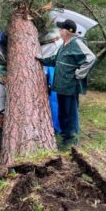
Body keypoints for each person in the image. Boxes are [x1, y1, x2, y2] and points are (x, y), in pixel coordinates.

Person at [37, 19, 96, 149]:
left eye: (61, 28)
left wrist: (79, 74)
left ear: (67, 31)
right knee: (63, 113)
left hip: (70, 86)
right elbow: (54, 60)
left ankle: (72, 141)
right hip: (61, 86)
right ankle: (65, 137)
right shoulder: (63, 45)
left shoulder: (76, 43)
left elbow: (91, 58)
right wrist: (40, 60)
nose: (59, 30)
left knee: (70, 113)